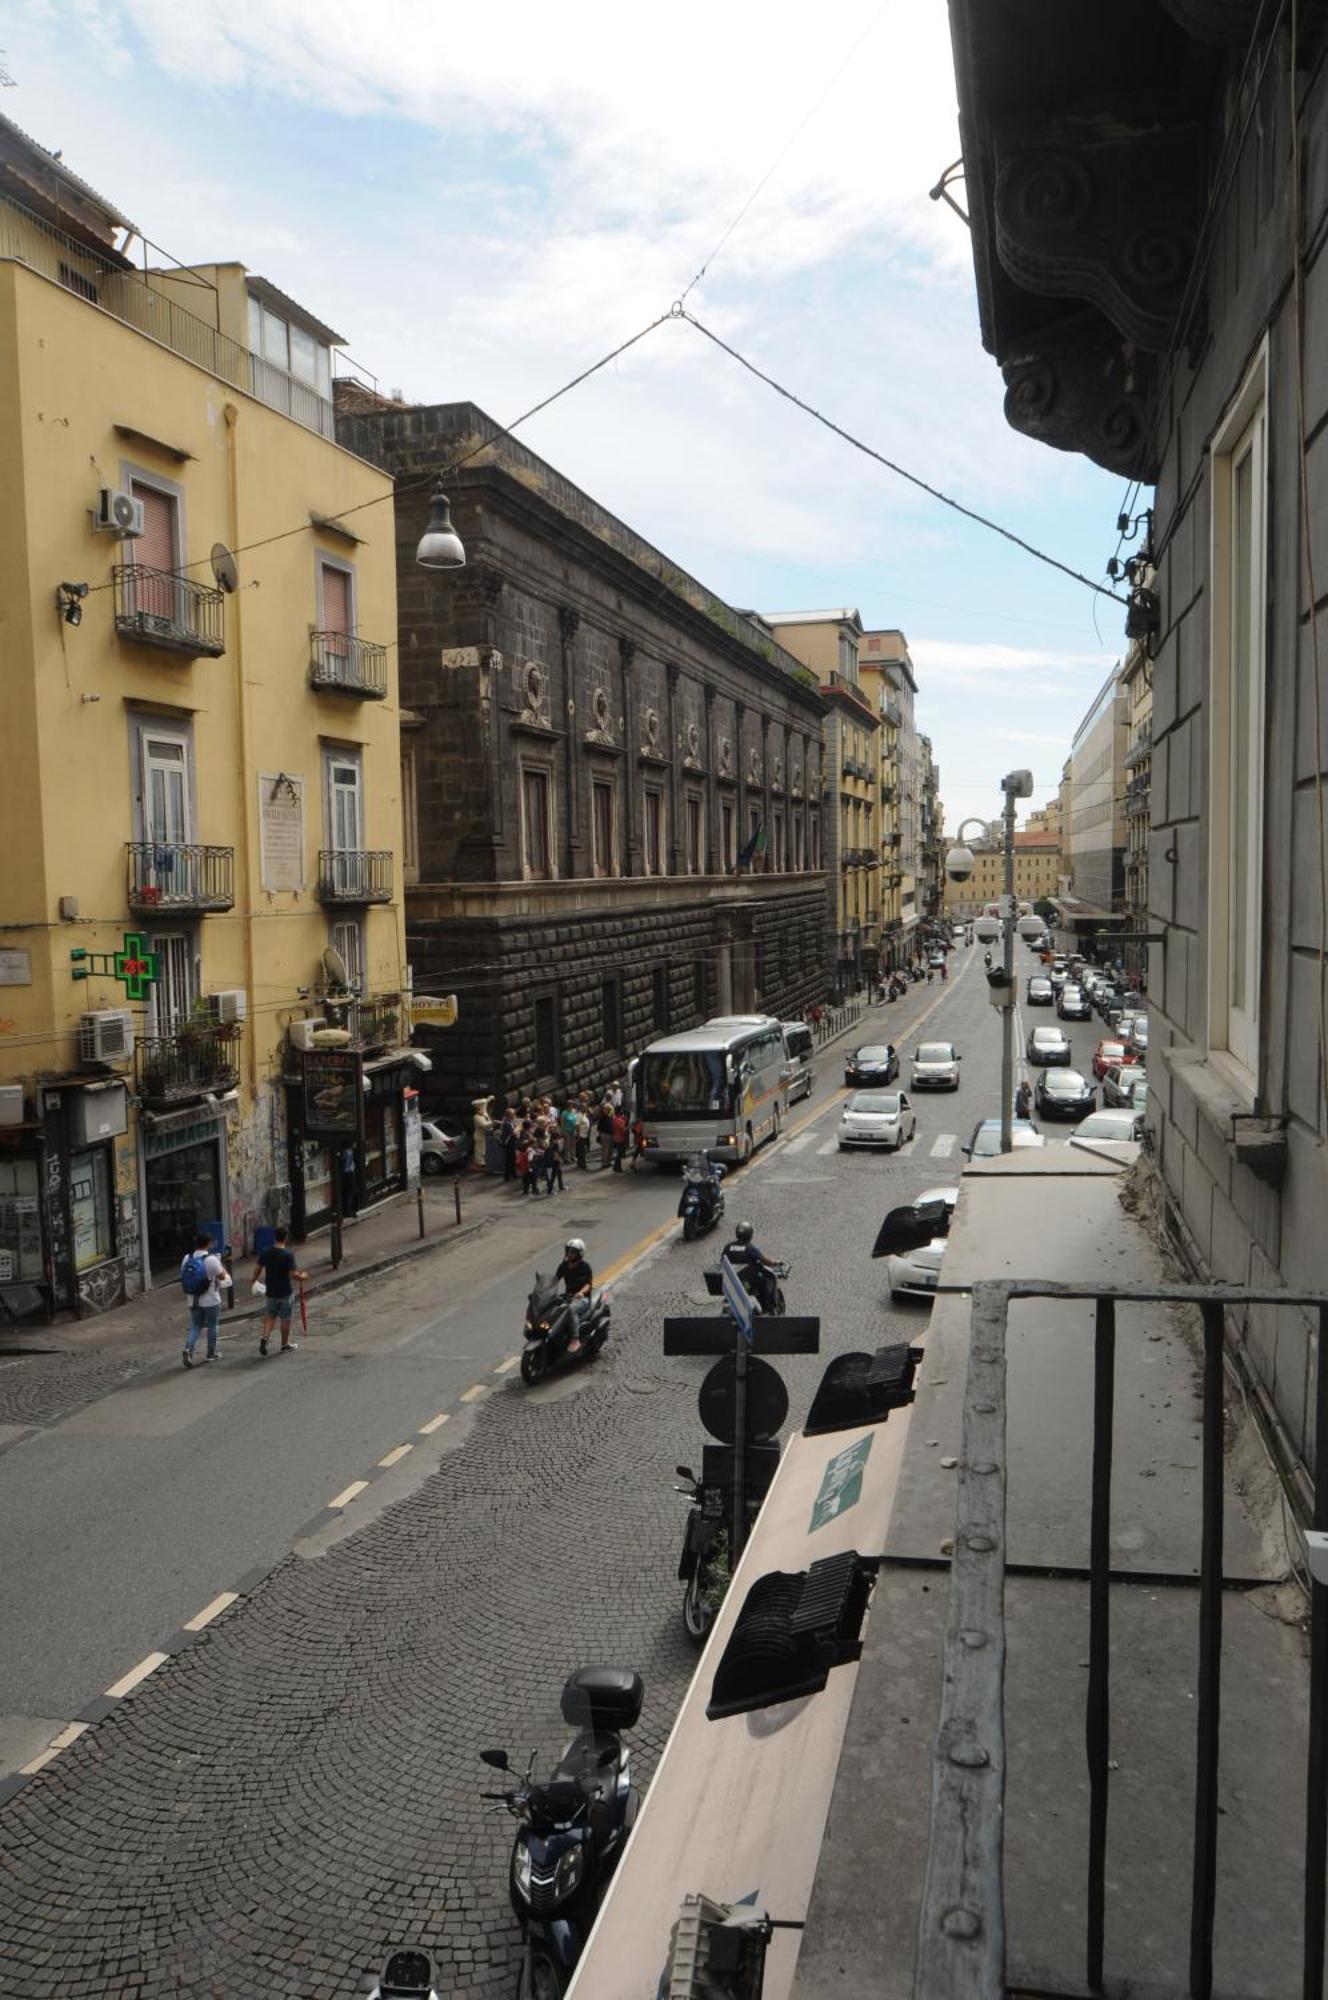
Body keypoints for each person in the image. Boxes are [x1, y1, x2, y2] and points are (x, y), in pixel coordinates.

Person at [253, 1227, 308, 1356]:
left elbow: (257, 1269)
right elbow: (293, 1275)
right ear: (286, 1238)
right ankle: (284, 1344)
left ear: (274, 1237)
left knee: (270, 1316)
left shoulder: (266, 1252)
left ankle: (264, 1337)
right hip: (285, 1292)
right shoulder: (287, 1255)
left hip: (271, 1291)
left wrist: (254, 1280)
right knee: (285, 1318)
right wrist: (304, 1276)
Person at [181, 1231, 230, 1368]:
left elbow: (183, 1276)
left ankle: (188, 1349)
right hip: (210, 1300)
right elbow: (222, 1277)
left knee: (196, 1325)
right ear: (208, 1244)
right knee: (212, 1325)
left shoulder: (187, 1258)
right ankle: (210, 1354)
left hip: (192, 1299)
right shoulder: (211, 1259)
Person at [722, 1219, 780, 1314]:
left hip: (732, 1280)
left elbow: (722, 1261)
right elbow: (765, 1261)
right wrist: (775, 1262)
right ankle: (766, 1307)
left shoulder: (728, 1247)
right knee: (764, 1282)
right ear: (750, 1235)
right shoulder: (750, 1248)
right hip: (748, 1280)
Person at [554, 1236, 594, 1353]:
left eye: (573, 1252)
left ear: (579, 1253)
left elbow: (588, 1285)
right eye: (568, 1251)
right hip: (568, 1296)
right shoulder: (564, 1266)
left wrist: (581, 1293)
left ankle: (575, 1339)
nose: (569, 1254)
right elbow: (555, 1280)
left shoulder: (585, 1267)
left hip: (583, 1299)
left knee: (570, 1310)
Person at [542, 1128, 565, 1196]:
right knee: (554, 1175)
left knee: (559, 1173)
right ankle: (550, 1190)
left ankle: (561, 1186)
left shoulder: (550, 1141)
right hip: (555, 1161)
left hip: (551, 1160)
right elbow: (555, 1153)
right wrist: (560, 1159)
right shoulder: (555, 1143)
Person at [610, 1107, 629, 1172]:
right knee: (619, 1154)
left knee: (618, 1153)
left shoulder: (614, 1119)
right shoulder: (620, 1121)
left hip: (614, 1138)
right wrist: (627, 1128)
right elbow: (623, 1130)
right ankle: (617, 1167)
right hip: (620, 1139)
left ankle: (616, 1167)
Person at [574, 1102, 591, 1171]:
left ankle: (580, 1163)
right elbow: (577, 1126)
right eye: (584, 1107)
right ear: (581, 1108)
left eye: (586, 1107)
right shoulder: (579, 1115)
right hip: (581, 1135)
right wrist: (578, 1136)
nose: (585, 1108)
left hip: (585, 1135)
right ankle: (583, 1165)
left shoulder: (584, 1115)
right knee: (582, 1151)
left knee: (582, 1150)